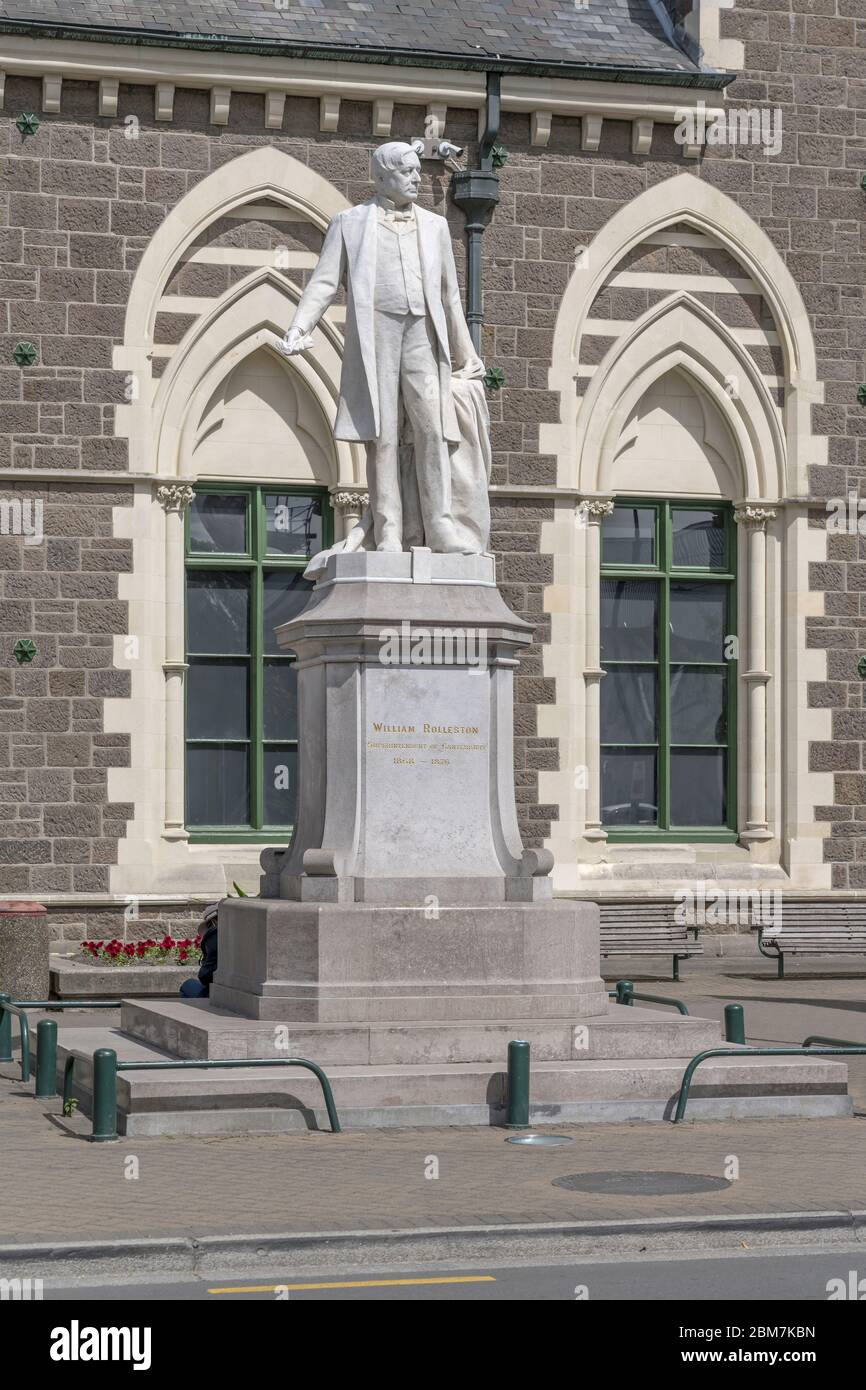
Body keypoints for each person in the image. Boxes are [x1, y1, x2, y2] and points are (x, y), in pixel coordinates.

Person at [280, 141, 487, 554]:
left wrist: (466, 353)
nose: (416, 177)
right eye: (407, 171)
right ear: (380, 177)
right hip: (377, 336)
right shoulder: (350, 223)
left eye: (416, 170)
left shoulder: (434, 227)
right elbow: (323, 282)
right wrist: (298, 327)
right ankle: (390, 530)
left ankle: (440, 524)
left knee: (432, 430)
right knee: (383, 434)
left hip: (423, 337)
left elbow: (449, 297)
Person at [179, 903, 219, 999]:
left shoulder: (214, 936)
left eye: (209, 925)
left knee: (187, 985)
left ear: (213, 921)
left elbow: (205, 976)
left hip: (218, 993)